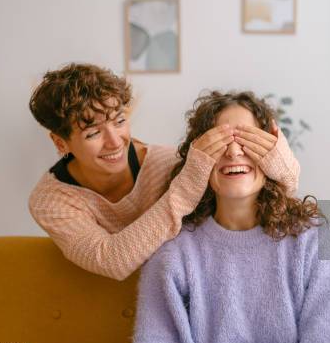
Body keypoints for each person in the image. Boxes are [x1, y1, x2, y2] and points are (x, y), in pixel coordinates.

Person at [130, 91, 330, 343]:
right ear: (198, 159)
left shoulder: (313, 240)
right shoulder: (172, 253)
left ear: (272, 153)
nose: (233, 152)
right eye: (219, 142)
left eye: (247, 140)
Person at [28, 63, 300, 280]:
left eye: (120, 121)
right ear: (60, 142)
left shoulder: (167, 163)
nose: (115, 141)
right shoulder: (50, 201)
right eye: (93, 133)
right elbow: (111, 261)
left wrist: (276, 160)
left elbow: (263, 198)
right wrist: (185, 188)